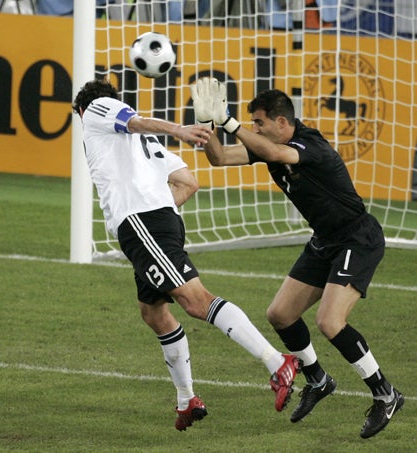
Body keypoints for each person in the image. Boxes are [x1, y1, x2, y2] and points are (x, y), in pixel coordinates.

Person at [72, 79, 299, 431]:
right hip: (157, 223)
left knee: (196, 302)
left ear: (84, 111)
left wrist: (178, 129)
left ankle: (276, 362)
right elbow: (188, 184)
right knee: (153, 311)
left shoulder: (98, 111)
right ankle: (186, 399)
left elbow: (136, 120)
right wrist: (158, 206)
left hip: (142, 224)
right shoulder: (147, 145)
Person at [191, 76, 404, 438]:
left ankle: (386, 394)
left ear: (281, 123)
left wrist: (230, 122)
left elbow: (275, 154)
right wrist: (208, 124)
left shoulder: (310, 145)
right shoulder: (268, 143)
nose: (255, 129)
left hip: (357, 238)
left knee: (329, 321)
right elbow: (220, 157)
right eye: (252, 123)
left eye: (259, 123)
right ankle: (318, 380)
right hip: (325, 240)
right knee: (280, 315)